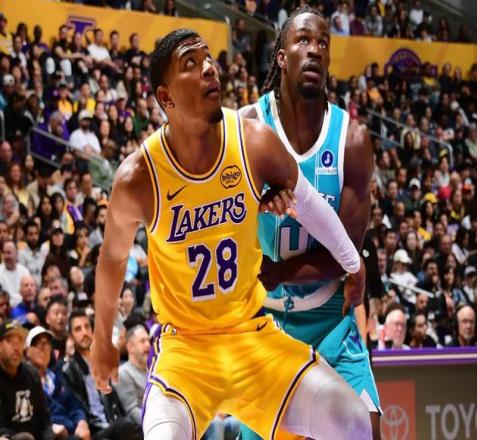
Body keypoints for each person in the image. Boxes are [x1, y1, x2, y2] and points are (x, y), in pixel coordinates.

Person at [90, 28, 371, 440]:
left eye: (208, 58)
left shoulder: (253, 142)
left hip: (251, 335)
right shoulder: (138, 176)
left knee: (352, 420)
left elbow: (310, 205)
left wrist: (353, 263)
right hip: (185, 349)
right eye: (191, 63)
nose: (209, 68)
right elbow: (113, 258)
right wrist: (102, 341)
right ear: (165, 96)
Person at [239, 7, 381, 438]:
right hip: (267, 323)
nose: (315, 49)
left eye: (323, 43)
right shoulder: (247, 128)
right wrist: (255, 204)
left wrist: (280, 271)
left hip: (331, 317)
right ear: (281, 57)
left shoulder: (352, 140)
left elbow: (346, 253)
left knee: (367, 429)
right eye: (303, 40)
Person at [63, 310, 140, 439]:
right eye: (78, 329)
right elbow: (77, 406)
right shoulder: (69, 370)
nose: (84, 332)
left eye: (87, 327)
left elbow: (114, 401)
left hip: (112, 423)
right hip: (93, 430)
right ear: (71, 337)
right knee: (125, 426)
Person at [25, 326, 91, 440]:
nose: (43, 348)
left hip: (73, 431)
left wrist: (82, 422)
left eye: (46, 343)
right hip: (49, 435)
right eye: (37, 344)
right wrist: (51, 429)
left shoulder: (58, 375)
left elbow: (74, 404)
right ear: (27, 351)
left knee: (121, 426)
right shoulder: (25, 381)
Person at [0, 319, 54, 440]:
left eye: (19, 341)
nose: (16, 347)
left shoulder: (32, 374)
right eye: (10, 341)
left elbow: (44, 419)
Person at [115, 324, 150, 426]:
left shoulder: (153, 370)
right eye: (142, 341)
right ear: (130, 347)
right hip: (146, 428)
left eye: (148, 340)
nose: (148, 344)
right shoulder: (123, 373)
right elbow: (133, 414)